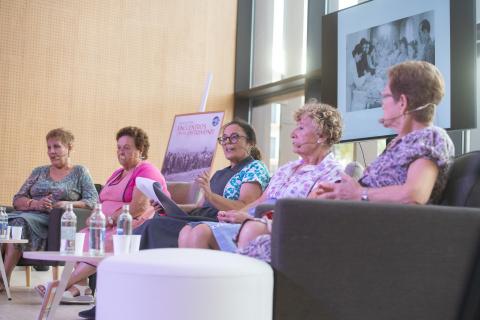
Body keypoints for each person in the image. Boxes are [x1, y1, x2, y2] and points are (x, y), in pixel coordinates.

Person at [237, 60, 455, 262]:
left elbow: (415, 195)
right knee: (255, 241)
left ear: (402, 103)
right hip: (353, 224)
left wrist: (357, 194)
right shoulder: (400, 142)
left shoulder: (430, 137)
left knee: (255, 247)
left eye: (385, 97)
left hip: (371, 236)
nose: (382, 103)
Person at [178, 100, 344, 253]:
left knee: (200, 233)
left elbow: (305, 214)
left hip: (281, 228)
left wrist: (250, 217)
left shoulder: (331, 172)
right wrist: (234, 215)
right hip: (255, 220)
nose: (293, 133)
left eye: (301, 128)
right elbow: (260, 201)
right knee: (186, 231)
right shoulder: (286, 168)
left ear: (321, 135)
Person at [36, 126, 168, 304]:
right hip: (107, 223)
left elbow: (138, 207)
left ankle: (60, 285)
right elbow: (101, 200)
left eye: (126, 147)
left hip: (133, 224)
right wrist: (95, 214)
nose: (121, 151)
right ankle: (81, 288)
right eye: (119, 147)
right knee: (80, 238)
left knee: (99, 243)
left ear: (140, 150)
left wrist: (110, 219)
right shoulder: (118, 173)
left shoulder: (146, 170)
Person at [0, 128, 98, 291]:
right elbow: (17, 199)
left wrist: (67, 204)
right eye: (49, 147)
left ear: (69, 147)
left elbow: (93, 201)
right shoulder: (38, 171)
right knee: (9, 222)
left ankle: (3, 281)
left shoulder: (80, 172)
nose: (52, 151)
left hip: (54, 221)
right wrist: (34, 204)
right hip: (27, 213)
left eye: (57, 147)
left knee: (18, 223)